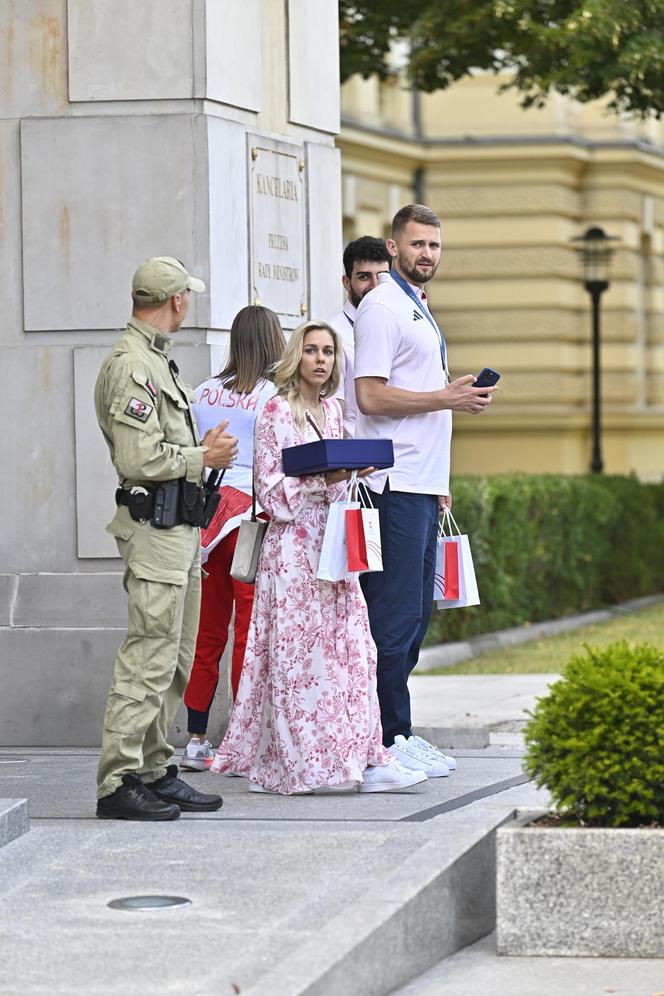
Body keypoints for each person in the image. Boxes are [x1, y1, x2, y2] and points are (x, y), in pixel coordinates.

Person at [210, 319, 426, 795]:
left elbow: (337, 484)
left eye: (328, 351)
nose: (321, 359)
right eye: (312, 350)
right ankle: (298, 760)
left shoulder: (333, 410)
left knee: (351, 652)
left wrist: (352, 472)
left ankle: (360, 755)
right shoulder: (274, 411)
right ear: (296, 356)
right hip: (291, 553)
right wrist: (320, 482)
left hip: (334, 546)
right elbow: (268, 491)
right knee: (299, 658)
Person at [354, 205, 496, 777]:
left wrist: (441, 479)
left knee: (415, 616)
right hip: (391, 485)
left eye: (435, 245)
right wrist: (445, 398)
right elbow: (370, 396)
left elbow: (417, 398)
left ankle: (397, 734)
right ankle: (386, 740)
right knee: (393, 617)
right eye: (417, 245)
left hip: (421, 484)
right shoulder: (383, 307)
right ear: (393, 248)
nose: (427, 254)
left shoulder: (418, 309)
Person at [94, 256, 237, 821]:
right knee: (147, 658)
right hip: (154, 529)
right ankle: (118, 780)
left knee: (175, 658)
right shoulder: (133, 365)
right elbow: (138, 456)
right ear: (176, 301)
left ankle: (153, 769)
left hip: (177, 530)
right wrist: (203, 456)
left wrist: (203, 453)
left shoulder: (156, 361)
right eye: (188, 297)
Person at [179, 306, 285, 771]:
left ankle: (197, 737)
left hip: (207, 520)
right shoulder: (275, 396)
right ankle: (244, 739)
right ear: (273, 340)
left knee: (207, 633)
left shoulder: (204, 390)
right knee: (249, 631)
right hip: (252, 521)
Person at [327, 236, 391, 437]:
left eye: (381, 276)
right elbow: (331, 412)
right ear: (347, 282)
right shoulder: (332, 335)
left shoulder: (400, 325)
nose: (374, 286)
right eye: (364, 277)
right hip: (360, 458)